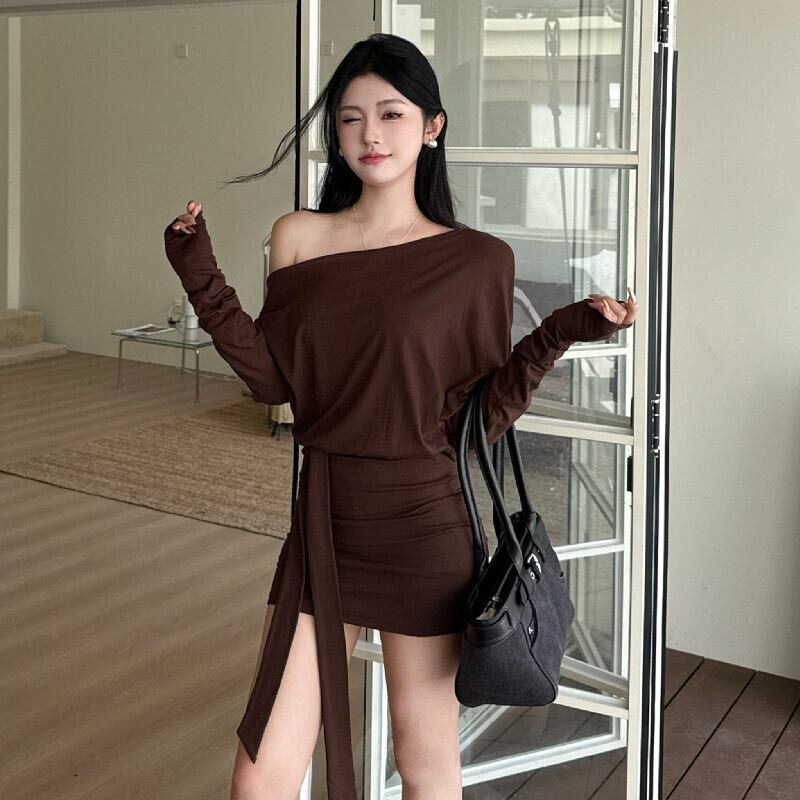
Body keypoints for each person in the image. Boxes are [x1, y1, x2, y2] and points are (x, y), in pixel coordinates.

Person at [164, 32, 637, 800]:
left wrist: (562, 330)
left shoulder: (477, 260)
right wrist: (200, 274)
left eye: (391, 114)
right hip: (324, 524)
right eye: (351, 118)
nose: (370, 135)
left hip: (425, 526)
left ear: (432, 126)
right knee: (260, 773)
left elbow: (481, 421)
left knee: (426, 761)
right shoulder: (298, 237)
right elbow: (272, 381)